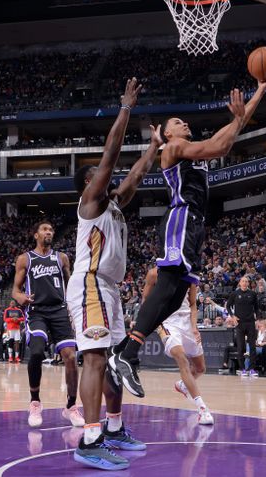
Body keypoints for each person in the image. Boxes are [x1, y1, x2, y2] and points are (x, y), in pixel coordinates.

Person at [109, 75, 266, 397]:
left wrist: (261, 89)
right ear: (166, 133)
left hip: (195, 225)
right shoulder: (174, 148)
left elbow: (230, 133)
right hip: (181, 218)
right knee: (167, 286)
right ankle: (126, 353)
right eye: (177, 122)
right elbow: (223, 143)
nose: (184, 123)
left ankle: (127, 353)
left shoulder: (190, 149)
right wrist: (238, 118)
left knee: (174, 298)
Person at [64, 77, 163, 470]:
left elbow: (136, 176)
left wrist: (154, 147)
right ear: (90, 183)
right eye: (100, 174)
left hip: (109, 288)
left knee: (116, 358)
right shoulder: (90, 202)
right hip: (89, 284)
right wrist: (126, 108)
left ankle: (115, 427)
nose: (107, 177)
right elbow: (111, 155)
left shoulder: (115, 205)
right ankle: (90, 438)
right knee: (94, 359)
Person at [12, 220, 81, 428]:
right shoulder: (25, 259)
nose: (49, 232)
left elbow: (72, 284)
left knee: (71, 356)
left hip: (59, 310)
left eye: (51, 229)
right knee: (36, 352)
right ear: (36, 235)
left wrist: (74, 307)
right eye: (44, 229)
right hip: (37, 311)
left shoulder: (61, 258)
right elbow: (15, 290)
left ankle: (71, 406)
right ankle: (35, 402)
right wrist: (20, 297)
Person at [144, 267, 213, 425]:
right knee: (182, 358)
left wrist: (194, 327)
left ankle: (183, 385)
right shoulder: (154, 273)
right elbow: (146, 300)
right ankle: (202, 408)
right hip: (167, 322)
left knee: (201, 368)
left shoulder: (190, 275)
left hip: (186, 322)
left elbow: (193, 304)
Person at [226, 276, 260, 376]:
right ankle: (242, 369)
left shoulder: (253, 294)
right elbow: (228, 306)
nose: (245, 283)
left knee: (252, 346)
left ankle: (252, 369)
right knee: (240, 347)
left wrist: (257, 319)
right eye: (243, 281)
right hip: (239, 323)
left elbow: (257, 308)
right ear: (240, 283)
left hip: (250, 323)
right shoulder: (235, 293)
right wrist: (232, 316)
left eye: (246, 281)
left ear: (248, 283)